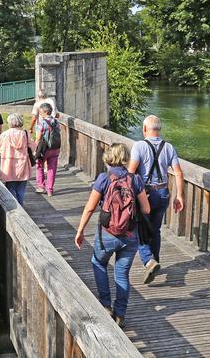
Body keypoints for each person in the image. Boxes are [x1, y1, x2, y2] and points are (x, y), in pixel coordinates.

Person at [74, 143, 151, 328]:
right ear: (125, 157)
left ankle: (106, 305)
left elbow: (91, 207)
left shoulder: (104, 178)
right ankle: (120, 314)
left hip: (107, 234)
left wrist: (80, 230)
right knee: (122, 273)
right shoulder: (135, 179)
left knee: (98, 263)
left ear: (109, 157)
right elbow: (147, 209)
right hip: (130, 235)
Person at [128, 115, 185, 285]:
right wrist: (179, 195)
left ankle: (149, 260)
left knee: (139, 228)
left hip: (145, 194)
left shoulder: (139, 146)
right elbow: (179, 173)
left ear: (144, 129)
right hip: (163, 193)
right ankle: (155, 260)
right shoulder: (168, 147)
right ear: (159, 129)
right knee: (155, 229)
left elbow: (131, 172)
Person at [0, 113, 33, 205]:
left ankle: (14, 207)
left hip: (9, 165)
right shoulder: (25, 133)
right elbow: (32, 147)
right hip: (23, 164)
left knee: (10, 187)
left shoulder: (4, 135)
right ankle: (21, 205)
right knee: (21, 189)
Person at [34, 103, 60, 196]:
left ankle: (41, 187)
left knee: (39, 166)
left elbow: (38, 138)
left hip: (44, 149)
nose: (39, 113)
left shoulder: (42, 123)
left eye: (40, 111)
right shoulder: (56, 122)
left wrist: (35, 149)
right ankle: (50, 190)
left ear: (45, 112)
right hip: (55, 148)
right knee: (52, 169)